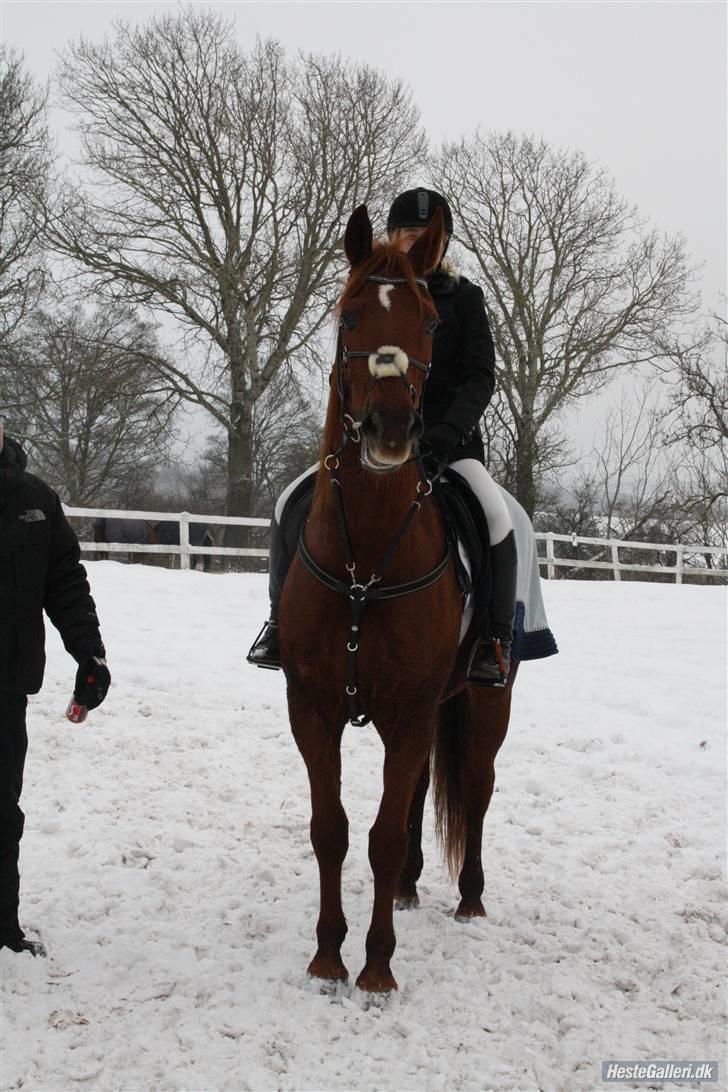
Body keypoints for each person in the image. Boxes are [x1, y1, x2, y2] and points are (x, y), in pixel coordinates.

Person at [248, 187, 517, 687]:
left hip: (446, 448)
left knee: (498, 517)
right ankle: (279, 624)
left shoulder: (465, 299)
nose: (417, 244)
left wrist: (443, 433)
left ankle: (492, 639)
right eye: (406, 235)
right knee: (289, 503)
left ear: (441, 245)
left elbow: (480, 377)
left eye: (425, 238)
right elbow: (347, 372)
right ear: (392, 239)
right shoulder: (370, 290)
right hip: (364, 443)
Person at [0, 422, 111, 956]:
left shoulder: (35, 500)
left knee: (3, 810)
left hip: (5, 684)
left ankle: (2, 929)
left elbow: (64, 581)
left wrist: (89, 654)